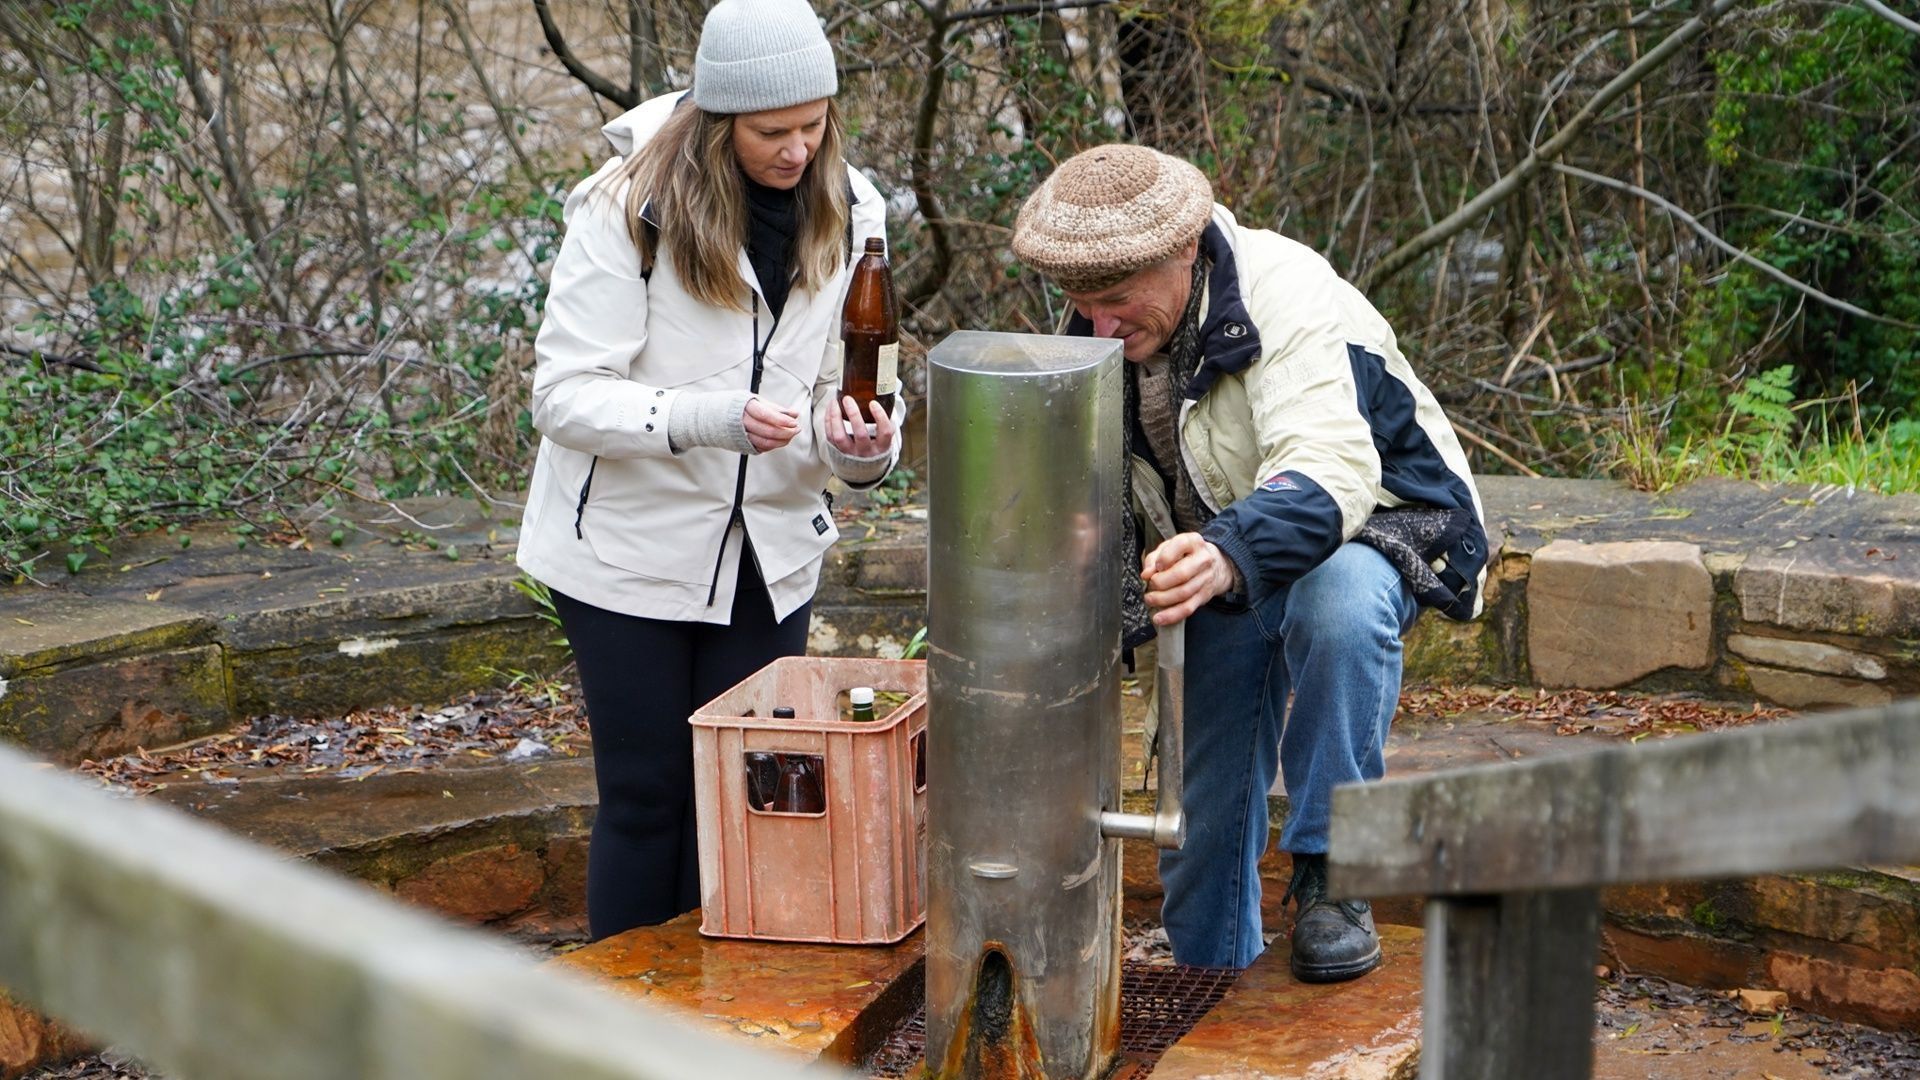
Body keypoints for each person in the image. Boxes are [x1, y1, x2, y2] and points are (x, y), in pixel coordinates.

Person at [1010, 145, 1487, 981]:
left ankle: (1332, 876)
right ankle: (1214, 998)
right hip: (1227, 554)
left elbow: (1332, 471)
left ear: (1185, 251)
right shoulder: (1101, 330)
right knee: (1198, 844)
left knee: (1334, 605)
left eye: (1118, 303)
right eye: (1082, 307)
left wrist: (1228, 552)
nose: (1101, 330)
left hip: (1376, 524)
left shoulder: (1285, 291)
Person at [516, 0, 901, 940]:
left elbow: (853, 386)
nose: (798, 151)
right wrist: (708, 420)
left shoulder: (858, 212)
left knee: (743, 800)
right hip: (625, 556)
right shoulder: (626, 207)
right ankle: (617, 1027)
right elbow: (564, 395)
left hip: (770, 557)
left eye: (814, 125)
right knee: (649, 800)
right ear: (719, 120)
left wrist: (865, 443)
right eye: (773, 132)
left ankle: (719, 1023)